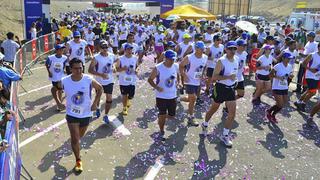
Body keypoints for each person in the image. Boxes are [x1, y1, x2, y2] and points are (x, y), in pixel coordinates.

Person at [58, 58, 102, 173]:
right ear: (70, 69)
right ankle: (78, 160)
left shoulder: (88, 79)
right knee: (75, 139)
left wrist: (95, 103)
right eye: (76, 68)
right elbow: (54, 89)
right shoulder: (64, 80)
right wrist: (58, 102)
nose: (79, 70)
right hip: (71, 114)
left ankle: (74, 142)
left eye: (80, 68)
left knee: (79, 136)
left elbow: (100, 89)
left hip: (86, 114)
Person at [202, 41, 239, 147]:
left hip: (231, 89)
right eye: (230, 48)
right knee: (214, 109)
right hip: (220, 88)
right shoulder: (221, 61)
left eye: (234, 49)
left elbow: (235, 73)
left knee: (232, 113)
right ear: (226, 49)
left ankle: (225, 135)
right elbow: (214, 77)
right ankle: (205, 124)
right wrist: (228, 77)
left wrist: (235, 80)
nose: (233, 51)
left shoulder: (236, 59)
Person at [148, 50, 180, 141]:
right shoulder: (158, 68)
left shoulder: (176, 66)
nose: (172, 61)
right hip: (161, 96)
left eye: (173, 59)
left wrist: (180, 83)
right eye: (170, 59)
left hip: (172, 95)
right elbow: (150, 80)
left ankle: (161, 116)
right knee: (162, 115)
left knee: (172, 116)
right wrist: (157, 87)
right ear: (165, 58)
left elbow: (178, 75)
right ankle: (161, 130)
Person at [179, 41, 208, 126]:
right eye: (201, 48)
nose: (202, 50)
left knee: (190, 99)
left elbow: (204, 67)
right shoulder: (189, 57)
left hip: (197, 81)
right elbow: (181, 66)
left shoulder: (205, 57)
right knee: (193, 99)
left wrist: (203, 75)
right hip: (189, 81)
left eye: (203, 49)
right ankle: (191, 117)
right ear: (196, 49)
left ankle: (178, 99)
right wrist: (184, 75)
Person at [88, 41, 117, 122]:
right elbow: (90, 70)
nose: (105, 49)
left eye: (106, 47)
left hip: (109, 81)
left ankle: (106, 115)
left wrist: (114, 67)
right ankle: (97, 108)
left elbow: (114, 62)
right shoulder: (96, 57)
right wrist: (101, 75)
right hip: (99, 82)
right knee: (98, 97)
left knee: (109, 98)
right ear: (100, 48)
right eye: (103, 47)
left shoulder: (111, 55)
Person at [266, 53, 294, 123]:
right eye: (288, 58)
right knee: (280, 104)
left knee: (283, 103)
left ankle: (271, 112)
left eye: (290, 58)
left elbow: (289, 74)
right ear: (283, 58)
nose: (289, 60)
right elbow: (270, 75)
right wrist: (279, 77)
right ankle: (270, 113)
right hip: (277, 87)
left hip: (285, 87)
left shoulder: (290, 66)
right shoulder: (277, 66)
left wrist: (291, 76)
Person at [294, 43, 320, 112]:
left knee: (309, 90)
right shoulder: (312, 55)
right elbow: (303, 64)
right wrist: (311, 69)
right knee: (313, 92)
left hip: (317, 77)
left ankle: (298, 102)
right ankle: (303, 104)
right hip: (310, 76)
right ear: (318, 47)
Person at [116, 44, 140, 115]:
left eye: (131, 49)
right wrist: (123, 68)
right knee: (124, 94)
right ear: (125, 50)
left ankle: (128, 100)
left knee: (131, 95)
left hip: (132, 80)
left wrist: (137, 70)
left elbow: (137, 66)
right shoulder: (120, 58)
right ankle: (124, 108)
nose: (129, 51)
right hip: (123, 81)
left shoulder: (135, 58)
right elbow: (116, 69)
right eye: (128, 49)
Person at [45, 44, 67, 111]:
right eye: (60, 49)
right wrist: (49, 72)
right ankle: (59, 103)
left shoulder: (65, 58)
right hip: (54, 76)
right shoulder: (51, 58)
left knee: (60, 90)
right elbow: (46, 64)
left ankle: (59, 104)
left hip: (61, 76)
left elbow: (64, 65)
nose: (62, 50)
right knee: (56, 90)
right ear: (56, 50)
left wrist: (64, 70)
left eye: (63, 49)